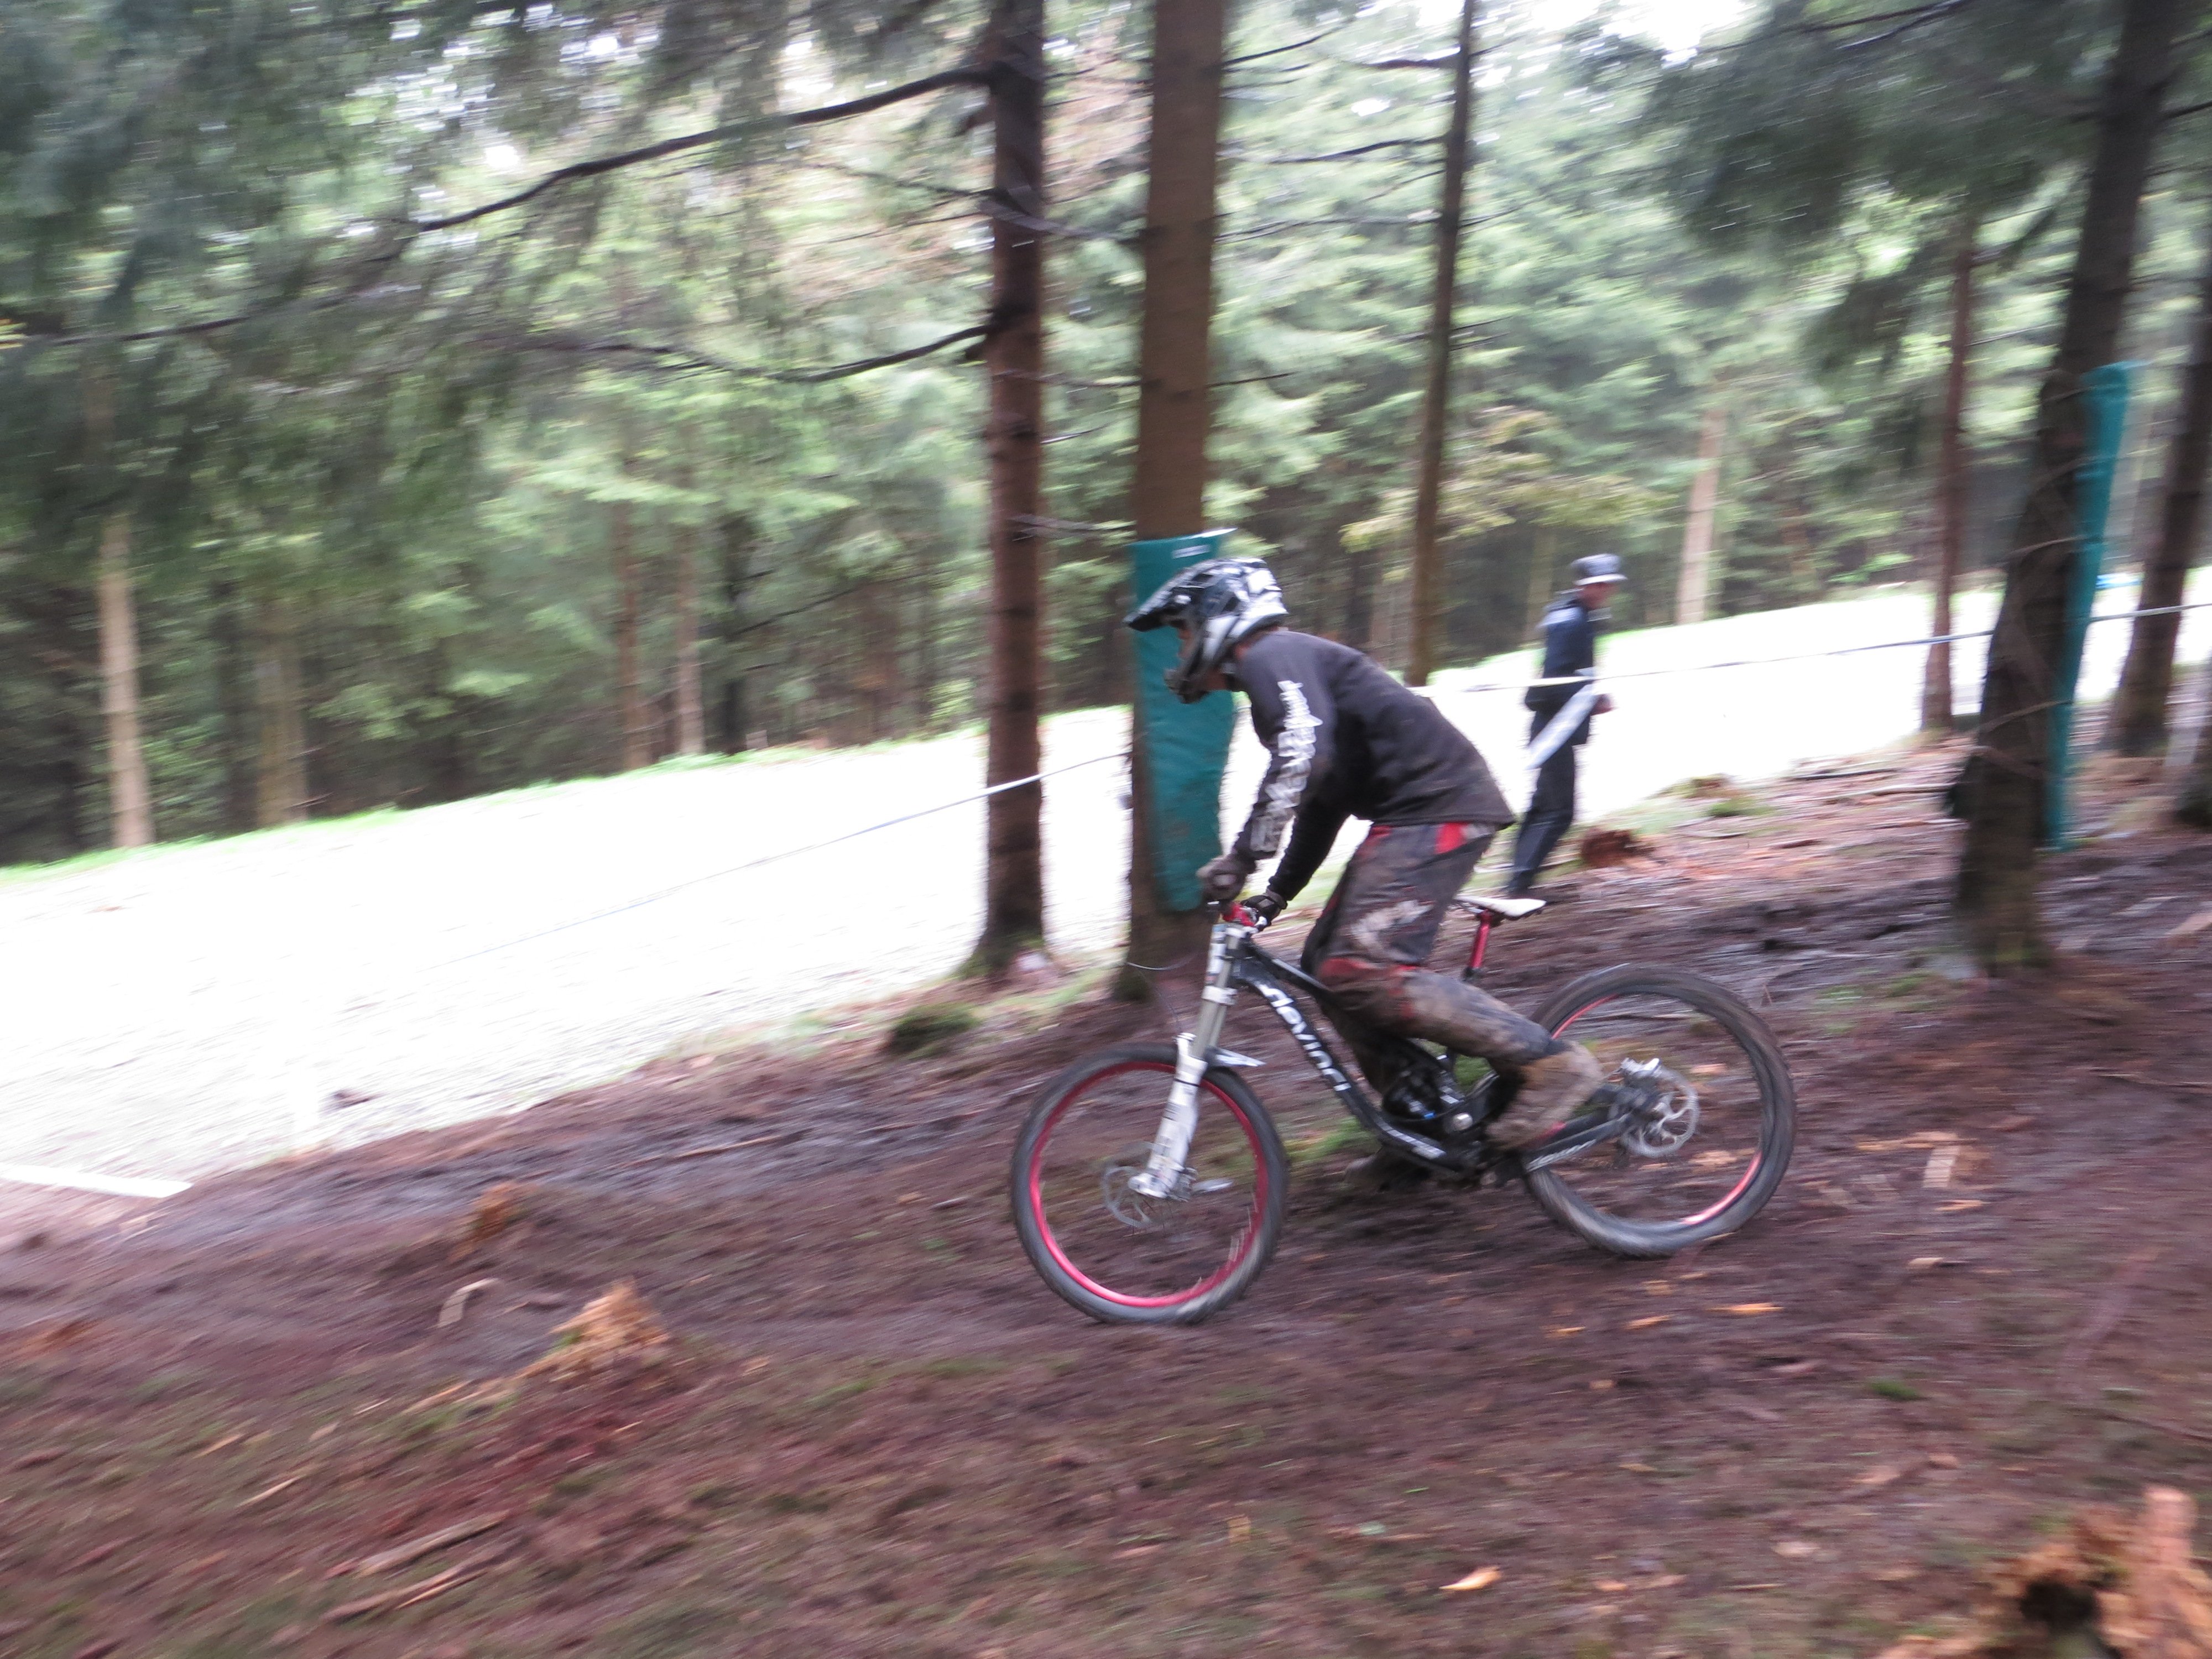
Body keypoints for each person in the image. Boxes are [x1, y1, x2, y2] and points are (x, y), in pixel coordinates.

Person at [1124, 555, 1603, 1151]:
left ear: (1218, 618)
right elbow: (1321, 800)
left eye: (1183, 633)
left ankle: (1551, 1064)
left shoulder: (1271, 656)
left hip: (1439, 807)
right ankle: (1423, 1127)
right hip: (1416, 813)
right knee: (1326, 964)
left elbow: (1304, 761)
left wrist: (1244, 858)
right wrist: (1276, 895)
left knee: (1360, 970)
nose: (1180, 650)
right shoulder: (1281, 671)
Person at [1505, 552, 1626, 898]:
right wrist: (1592, 700)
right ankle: (1519, 885)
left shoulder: (1577, 616)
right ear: (1582, 586)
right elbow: (1553, 680)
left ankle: (1518, 879)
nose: (1604, 590)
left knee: (1544, 805)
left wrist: (1591, 695)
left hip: (1558, 725)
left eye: (1608, 584)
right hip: (1553, 726)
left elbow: (1572, 675)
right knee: (1559, 810)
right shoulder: (1570, 621)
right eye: (1597, 584)